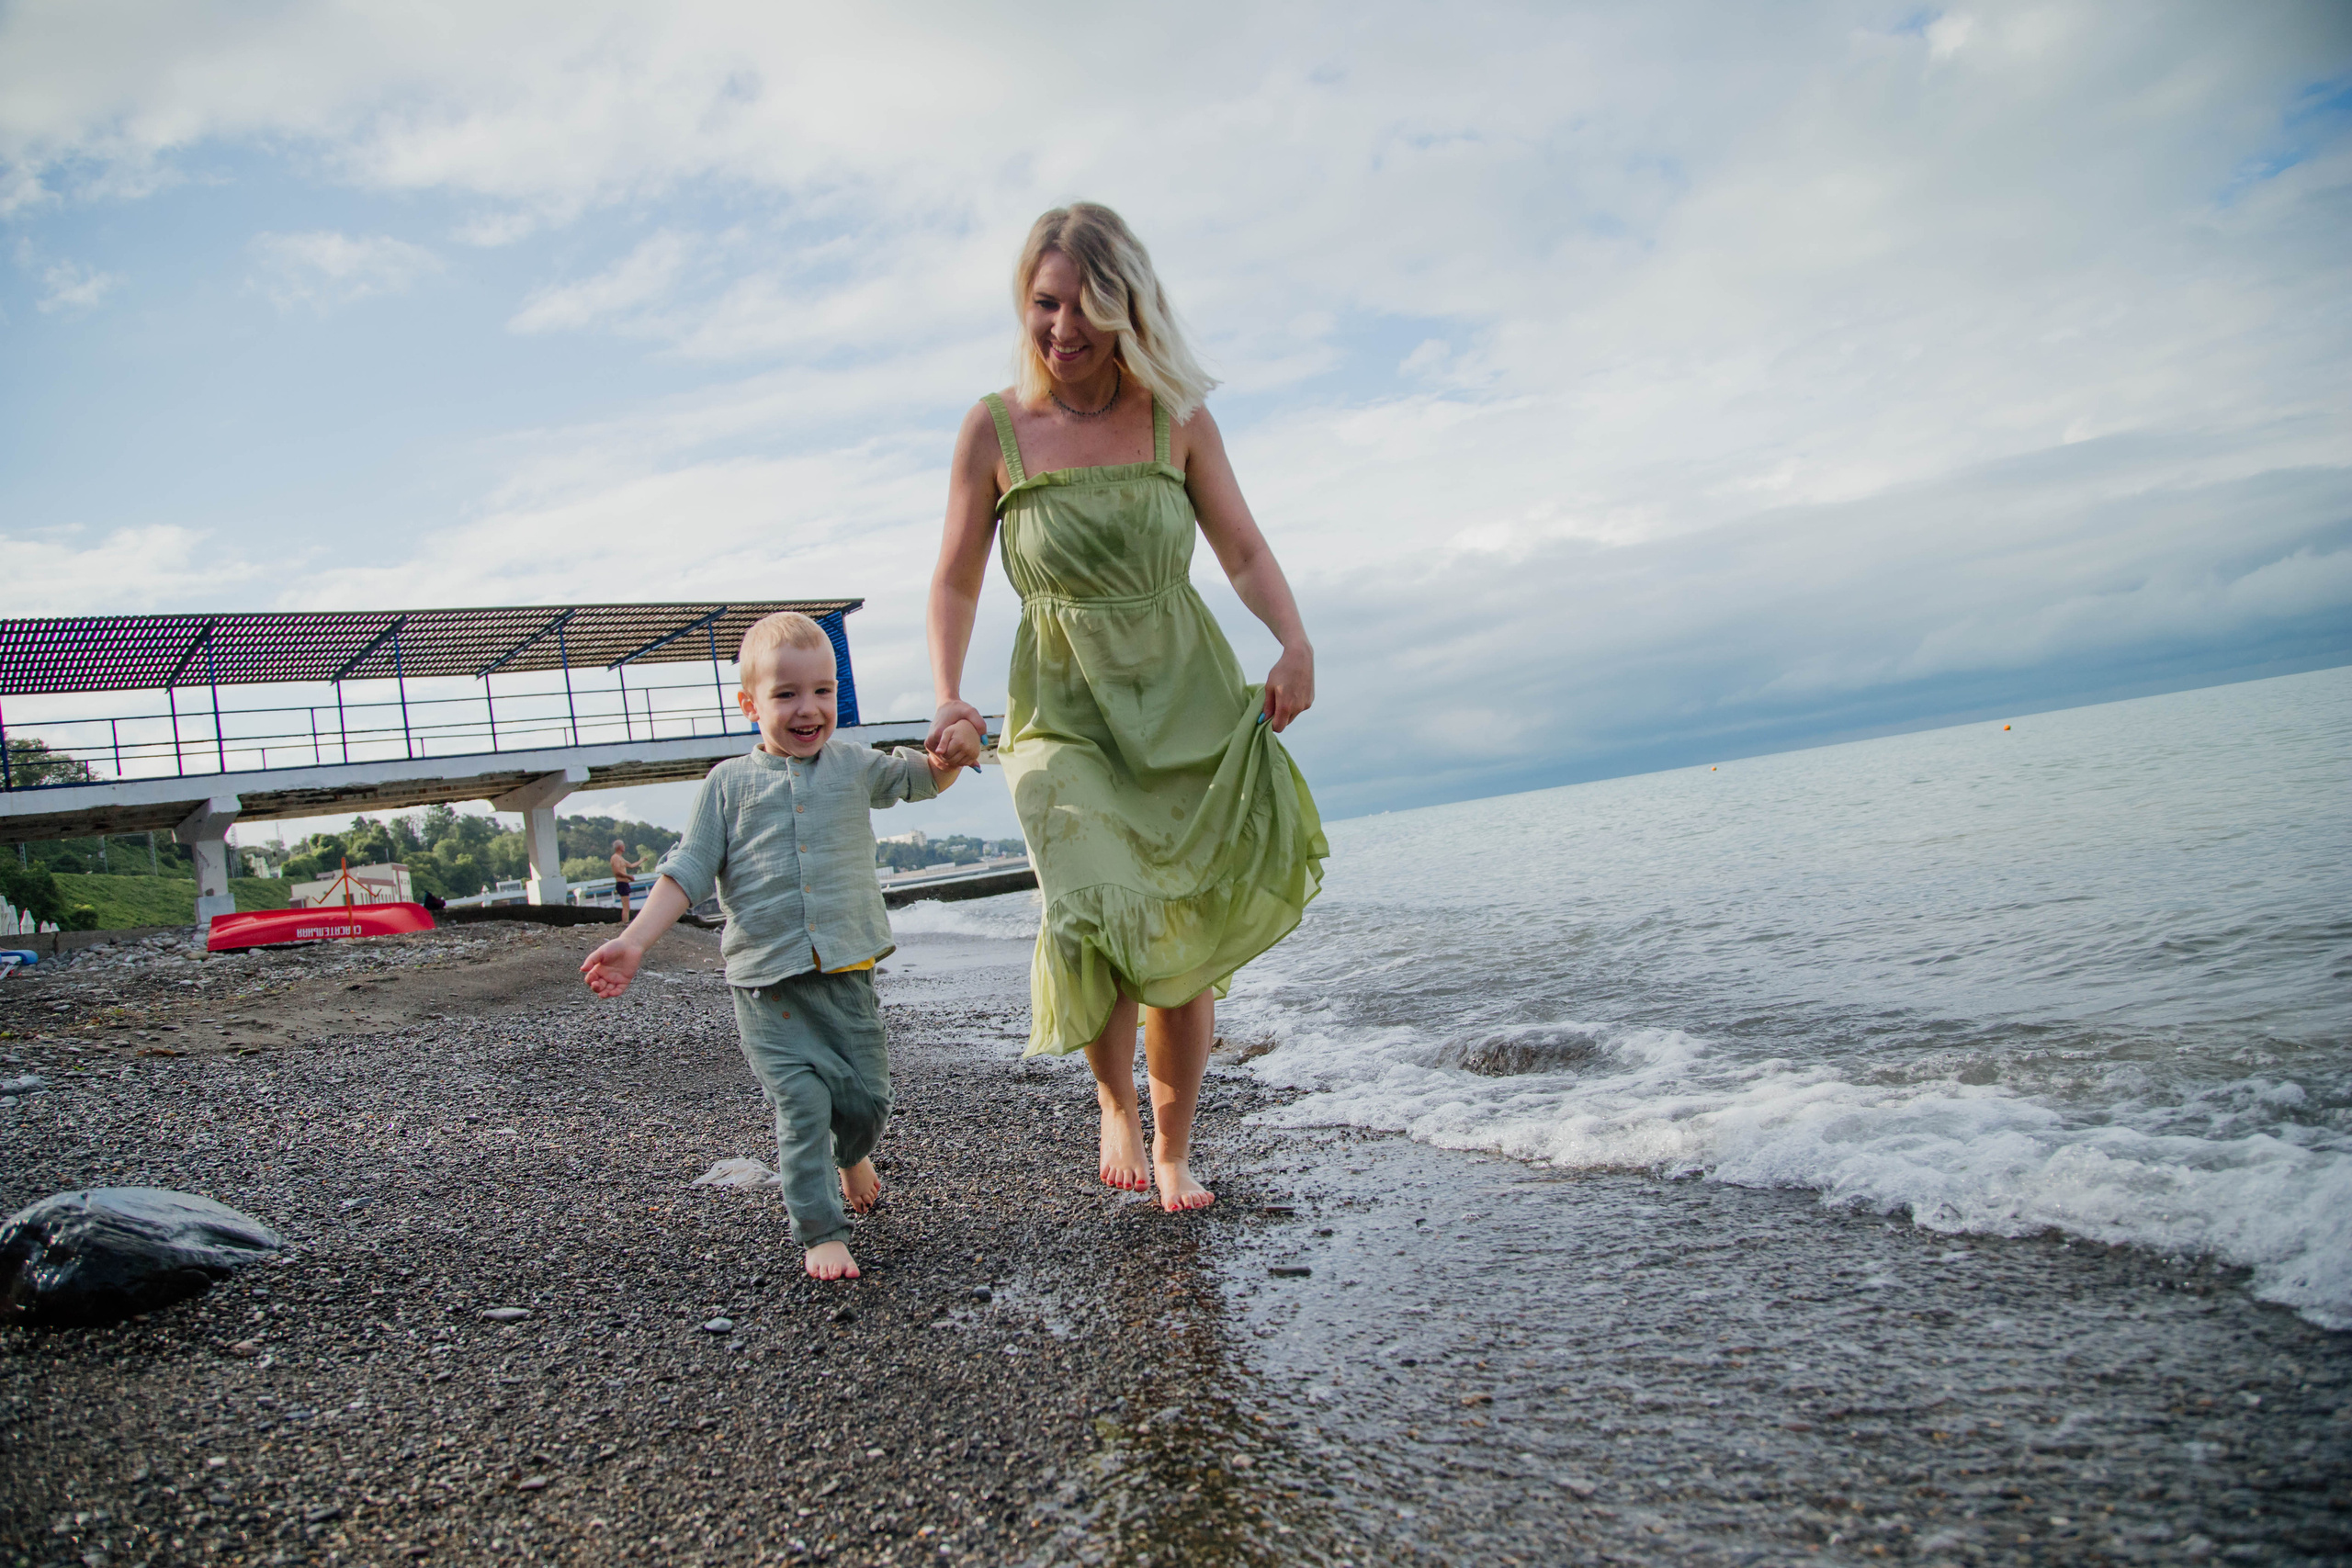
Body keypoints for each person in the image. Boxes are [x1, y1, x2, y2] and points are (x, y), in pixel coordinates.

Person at [926, 202, 1327, 1213]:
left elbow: (1241, 547)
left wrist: (1292, 640)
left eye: (1086, 309)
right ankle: (1114, 1102)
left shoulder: (1174, 417)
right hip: (1058, 713)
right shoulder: (994, 429)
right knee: (1087, 903)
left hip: (1180, 705)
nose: (1062, 331)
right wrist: (948, 694)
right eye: (1043, 304)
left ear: (1128, 308)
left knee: (1176, 940)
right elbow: (957, 581)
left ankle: (1177, 1146)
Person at [582, 611, 975, 1280]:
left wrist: (953, 751)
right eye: (787, 694)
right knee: (802, 1106)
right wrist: (634, 939)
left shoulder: (854, 765)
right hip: (767, 987)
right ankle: (820, 1229)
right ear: (749, 703)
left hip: (846, 974)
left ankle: (853, 1153)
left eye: (823, 691)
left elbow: (922, 776)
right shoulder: (727, 785)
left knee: (868, 1100)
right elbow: (687, 871)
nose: (808, 708)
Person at [608, 838, 643, 915]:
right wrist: (628, 877)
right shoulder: (615, 858)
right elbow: (617, 871)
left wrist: (642, 860)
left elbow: (631, 865)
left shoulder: (621, 858)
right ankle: (625, 923)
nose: (624, 847)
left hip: (625, 883)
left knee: (627, 907)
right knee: (626, 907)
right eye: (623, 846)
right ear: (619, 847)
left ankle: (626, 922)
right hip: (621, 883)